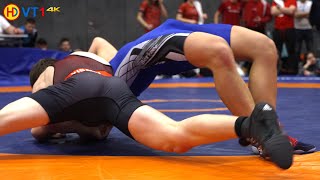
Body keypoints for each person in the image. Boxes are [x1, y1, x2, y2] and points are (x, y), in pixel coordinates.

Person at [0, 42, 293, 169]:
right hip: (113, 89)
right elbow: (100, 132)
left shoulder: (47, 74)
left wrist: (65, 127)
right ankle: (250, 123)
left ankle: (250, 124)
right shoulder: (92, 57)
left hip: (77, 88)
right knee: (174, 135)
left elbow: (39, 130)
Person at [108, 19, 316, 154]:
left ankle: (270, 131)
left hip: (166, 30)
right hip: (141, 54)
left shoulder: (87, 77)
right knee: (218, 52)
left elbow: (99, 41)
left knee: (265, 47)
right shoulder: (96, 100)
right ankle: (265, 136)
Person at [271, 0, 299, 75]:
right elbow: (273, 12)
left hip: (289, 28)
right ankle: (275, 69)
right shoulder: (276, 1)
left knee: (291, 49)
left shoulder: (292, 1)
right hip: (278, 28)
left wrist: (280, 8)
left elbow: (291, 11)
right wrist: (286, 10)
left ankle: (292, 69)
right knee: (276, 50)